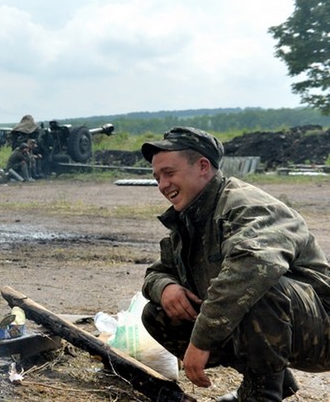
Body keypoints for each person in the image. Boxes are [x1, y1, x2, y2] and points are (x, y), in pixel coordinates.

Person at [139, 126, 330, 401]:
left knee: (258, 288)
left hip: (322, 330)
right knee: (157, 313)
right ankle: (268, 380)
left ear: (203, 166)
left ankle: (262, 394)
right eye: (157, 177)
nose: (162, 185)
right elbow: (157, 271)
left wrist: (202, 339)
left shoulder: (247, 205)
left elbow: (254, 267)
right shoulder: (192, 217)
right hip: (288, 330)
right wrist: (166, 287)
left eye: (169, 173)